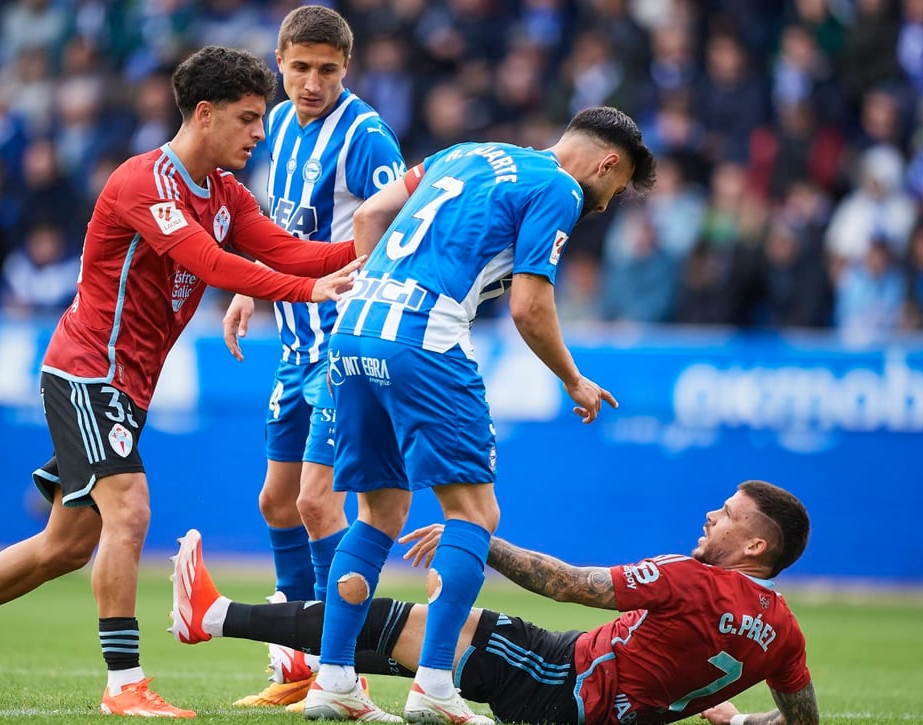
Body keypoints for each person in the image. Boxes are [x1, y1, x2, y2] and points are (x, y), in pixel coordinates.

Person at [0, 45, 365, 718]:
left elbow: (288, 250)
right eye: (249, 118)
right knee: (132, 510)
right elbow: (215, 264)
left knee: (67, 544)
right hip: (88, 371)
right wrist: (314, 288)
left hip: (125, 387)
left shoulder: (224, 194)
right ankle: (124, 684)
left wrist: (379, 239)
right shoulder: (144, 184)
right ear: (205, 115)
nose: (261, 133)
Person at [180, 106, 657, 723]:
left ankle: (333, 681)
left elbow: (374, 213)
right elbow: (530, 308)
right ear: (607, 162)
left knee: (379, 512)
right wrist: (575, 379)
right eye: (614, 192)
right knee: (476, 513)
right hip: (425, 336)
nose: (605, 202)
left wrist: (384, 287)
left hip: (350, 332)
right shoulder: (562, 188)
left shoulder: (465, 153)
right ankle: (433, 684)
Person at [171, 480, 819, 725]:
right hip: (578, 679)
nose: (711, 514)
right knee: (422, 633)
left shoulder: (691, 578)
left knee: (416, 623)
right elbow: (800, 723)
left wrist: (483, 540)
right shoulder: (783, 631)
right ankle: (310, 667)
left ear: (756, 542)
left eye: (728, 515)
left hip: (564, 683)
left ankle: (214, 615)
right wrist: (727, 716)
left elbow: (568, 581)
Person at [217, 6, 406, 709]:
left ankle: (340, 666)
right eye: (299, 67)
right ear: (279, 62)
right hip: (295, 343)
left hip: (342, 348)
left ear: (346, 68)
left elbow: (395, 224)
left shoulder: (364, 135)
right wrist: (247, 287)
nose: (312, 82)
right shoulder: (279, 130)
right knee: (276, 499)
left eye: (327, 69)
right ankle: (299, 653)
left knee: (316, 499)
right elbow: (276, 223)